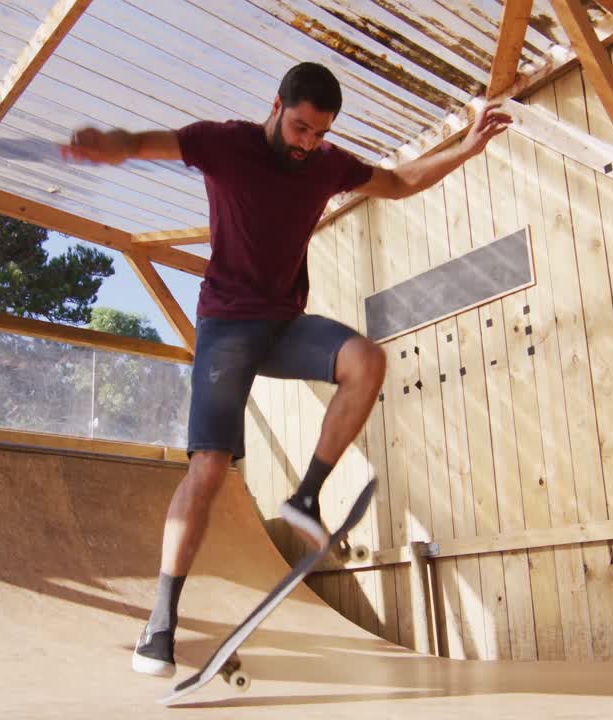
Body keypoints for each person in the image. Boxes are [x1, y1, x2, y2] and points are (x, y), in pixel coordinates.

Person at [63, 62, 512, 678]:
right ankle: (162, 620)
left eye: (318, 134)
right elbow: (146, 142)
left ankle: (305, 495)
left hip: (282, 326)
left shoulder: (326, 164)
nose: (306, 144)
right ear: (275, 107)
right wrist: (107, 146)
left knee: (367, 360)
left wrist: (467, 146)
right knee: (211, 467)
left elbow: (400, 181)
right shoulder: (225, 143)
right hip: (225, 328)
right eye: (299, 127)